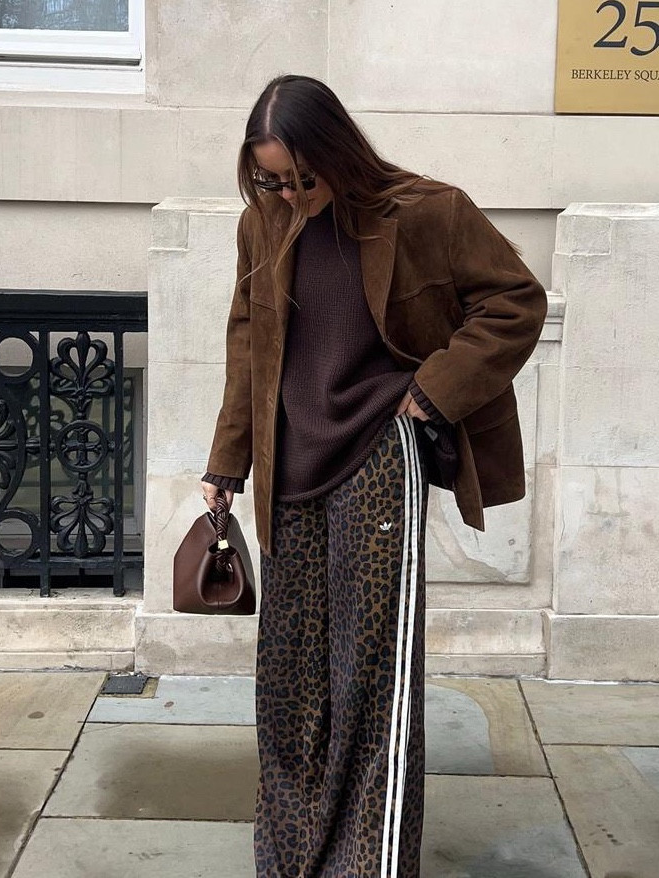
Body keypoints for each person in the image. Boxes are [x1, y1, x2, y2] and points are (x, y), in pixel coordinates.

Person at [201, 74, 547, 878]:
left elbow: (515, 301)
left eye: (300, 177)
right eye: (270, 179)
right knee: (288, 681)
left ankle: (369, 862)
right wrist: (227, 461)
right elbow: (248, 344)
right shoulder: (263, 226)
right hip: (289, 466)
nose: (289, 193)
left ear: (338, 153)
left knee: (370, 680)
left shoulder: (429, 211)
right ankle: (292, 856)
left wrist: (431, 393)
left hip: (378, 459)